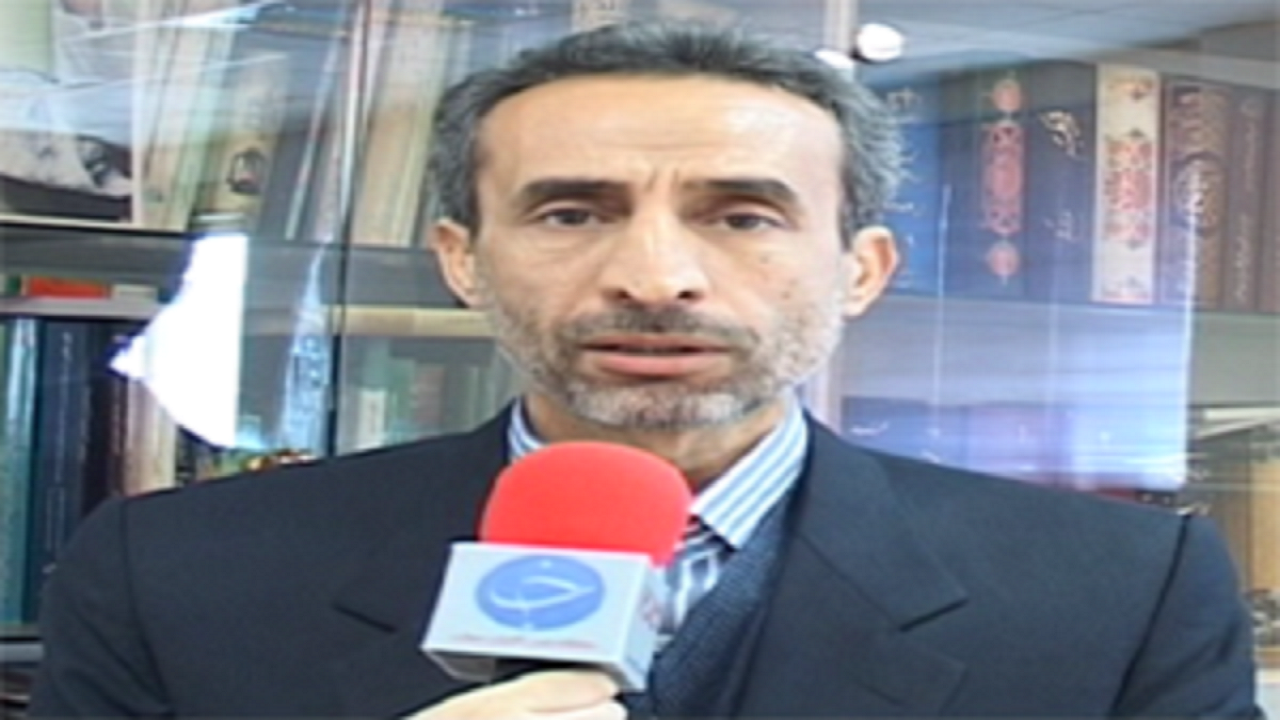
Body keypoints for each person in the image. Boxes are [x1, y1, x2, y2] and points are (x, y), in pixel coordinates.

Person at [30, 20, 1260, 720]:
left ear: (860, 269)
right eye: (571, 213)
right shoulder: (175, 575)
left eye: (741, 216)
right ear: (461, 259)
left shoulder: (1120, 593)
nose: (655, 276)